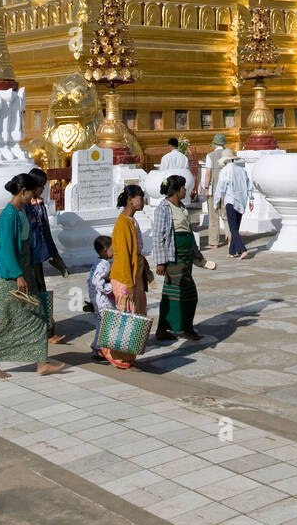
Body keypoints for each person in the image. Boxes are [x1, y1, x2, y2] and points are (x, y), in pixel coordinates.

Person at [0, 172, 64, 380]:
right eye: (31, 192)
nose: (33, 196)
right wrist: (19, 275)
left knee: (37, 316)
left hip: (25, 270)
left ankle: (42, 362)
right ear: (23, 191)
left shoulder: (22, 211)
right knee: (4, 319)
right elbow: (7, 249)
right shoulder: (9, 215)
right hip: (11, 275)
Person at [153, 174, 206, 342]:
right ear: (176, 190)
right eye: (183, 188)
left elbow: (188, 231)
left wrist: (196, 252)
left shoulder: (182, 207)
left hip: (186, 256)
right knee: (182, 293)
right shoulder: (163, 208)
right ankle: (184, 328)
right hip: (173, 256)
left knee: (178, 293)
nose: (185, 190)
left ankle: (168, 327)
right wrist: (160, 262)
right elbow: (158, 236)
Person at [107, 185, 150, 368]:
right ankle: (115, 352)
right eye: (140, 197)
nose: (143, 201)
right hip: (125, 276)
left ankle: (128, 354)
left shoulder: (132, 221)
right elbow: (123, 256)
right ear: (130, 199)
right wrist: (129, 283)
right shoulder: (123, 223)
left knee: (137, 313)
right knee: (126, 314)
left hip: (135, 274)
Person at [26, 166, 68, 346]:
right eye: (41, 186)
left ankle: (47, 331)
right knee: (32, 294)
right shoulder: (25, 207)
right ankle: (38, 330)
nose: (43, 189)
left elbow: (46, 232)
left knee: (41, 290)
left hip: (39, 256)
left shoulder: (40, 204)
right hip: (28, 257)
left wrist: (55, 255)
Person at [214, 152, 254, 260]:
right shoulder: (242, 170)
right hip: (241, 201)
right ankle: (232, 251)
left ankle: (243, 249)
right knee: (235, 227)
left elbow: (220, 189)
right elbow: (249, 185)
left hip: (231, 201)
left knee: (233, 228)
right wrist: (251, 200)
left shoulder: (225, 171)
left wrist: (215, 203)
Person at [87, 235, 114, 358]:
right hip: (102, 300)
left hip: (96, 298)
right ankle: (98, 348)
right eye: (112, 249)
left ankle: (98, 347)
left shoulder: (98, 262)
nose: (114, 252)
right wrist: (112, 287)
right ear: (104, 249)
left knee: (101, 323)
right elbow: (97, 282)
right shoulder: (104, 265)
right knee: (105, 323)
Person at [200, 133, 228, 248]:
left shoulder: (210, 155)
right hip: (226, 190)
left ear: (215, 144)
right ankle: (231, 239)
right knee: (227, 216)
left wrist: (206, 188)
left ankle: (214, 242)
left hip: (214, 189)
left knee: (213, 216)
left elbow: (208, 173)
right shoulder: (228, 155)